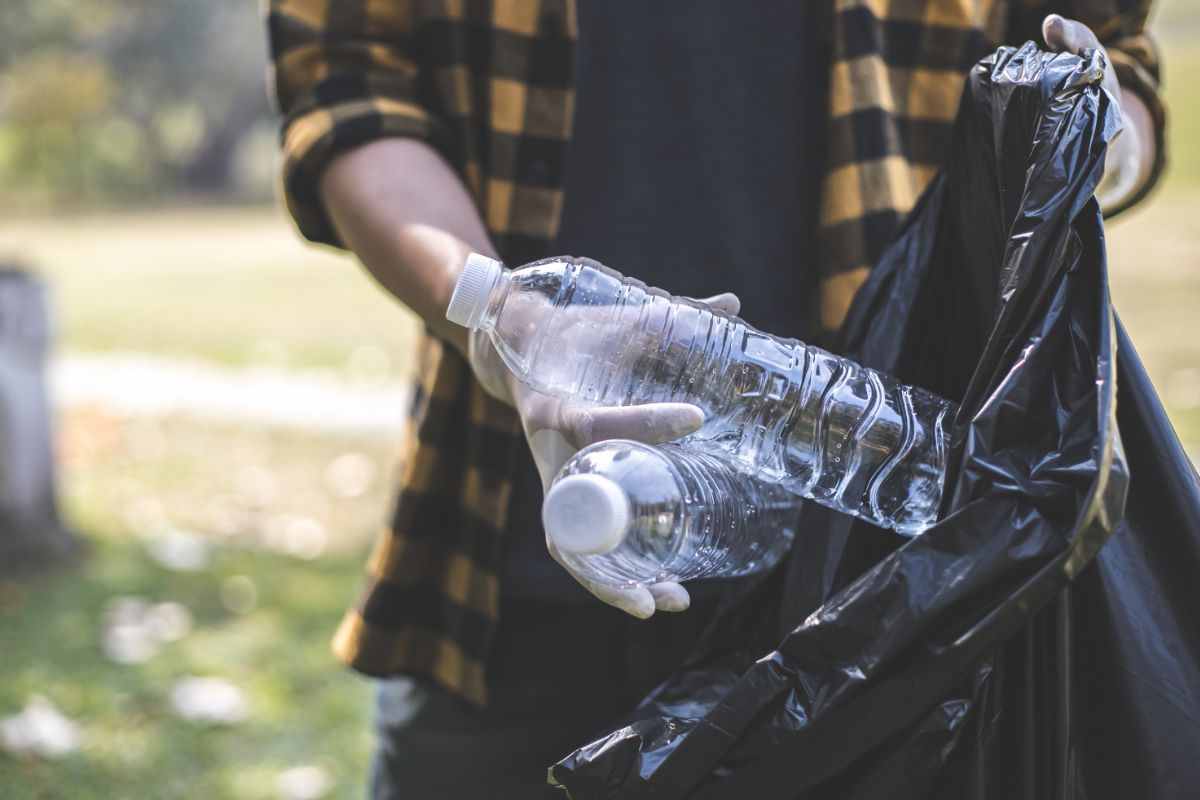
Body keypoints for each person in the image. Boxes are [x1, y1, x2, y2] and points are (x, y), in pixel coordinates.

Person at [266, 2, 1164, 796]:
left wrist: (1096, 141)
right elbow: (349, 86)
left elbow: (1114, 59)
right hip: (505, 550)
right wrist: (502, 321)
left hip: (885, 579)